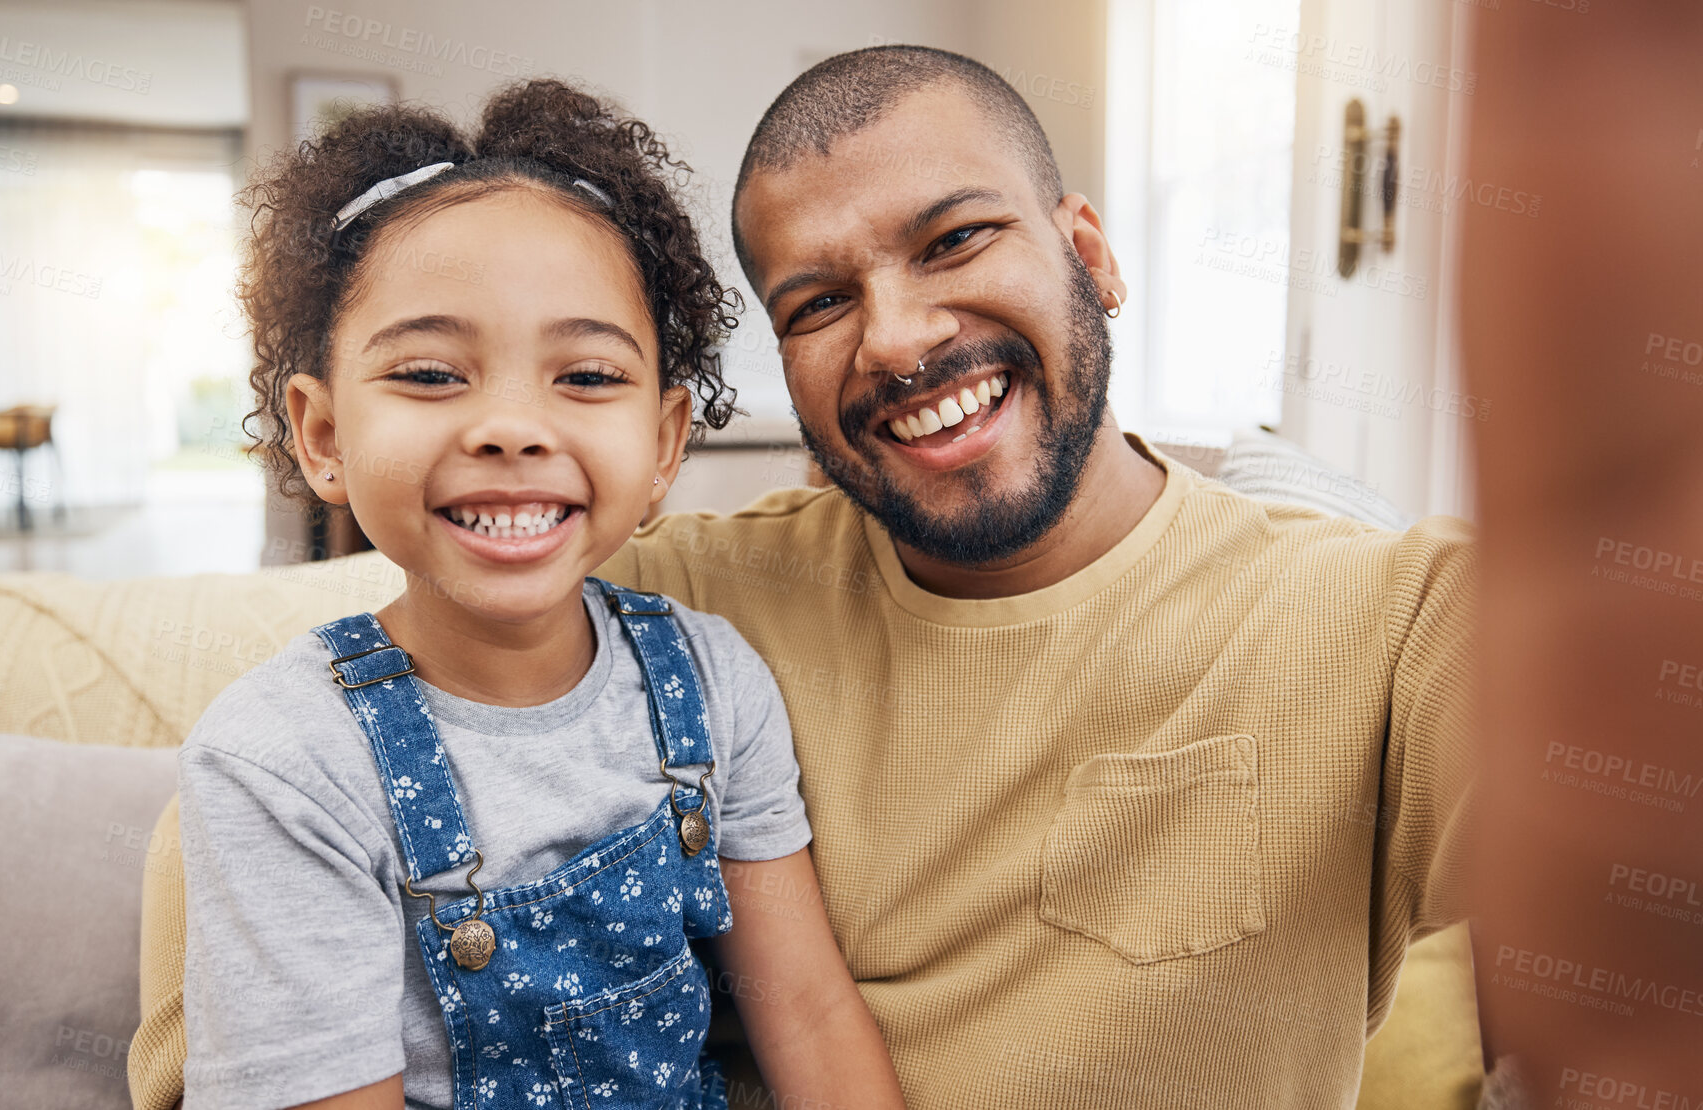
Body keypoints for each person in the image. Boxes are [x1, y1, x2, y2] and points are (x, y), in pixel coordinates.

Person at [134, 48, 1478, 1109]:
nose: (899, 337)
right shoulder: (665, 596)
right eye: (819, 303)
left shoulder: (1381, 619)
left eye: (956, 239)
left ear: (1090, 249)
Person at [168, 78, 907, 1110]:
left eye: (588, 378)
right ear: (324, 436)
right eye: (430, 375)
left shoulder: (712, 682)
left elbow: (809, 1014)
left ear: (661, 443)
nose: (511, 427)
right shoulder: (284, 762)